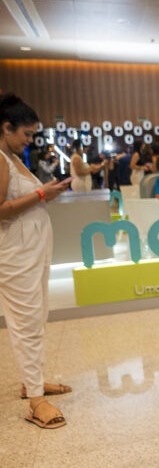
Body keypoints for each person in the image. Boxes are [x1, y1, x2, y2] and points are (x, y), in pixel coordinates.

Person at [0, 94, 72, 428]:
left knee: (36, 316)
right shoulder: (0, 158)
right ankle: (35, 403)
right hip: (15, 256)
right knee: (26, 323)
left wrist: (45, 192)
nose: (30, 140)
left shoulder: (14, 158)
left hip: (31, 253)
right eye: (26, 134)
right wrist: (43, 193)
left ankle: (34, 382)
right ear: (6, 128)